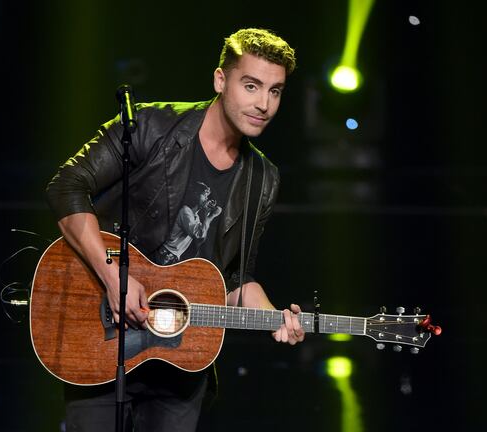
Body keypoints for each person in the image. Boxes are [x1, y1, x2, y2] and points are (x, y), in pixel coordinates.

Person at [46, 27, 305, 432]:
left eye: (275, 91)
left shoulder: (263, 179)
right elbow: (66, 186)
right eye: (251, 86)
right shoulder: (151, 125)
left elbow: (235, 279)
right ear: (221, 79)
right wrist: (113, 274)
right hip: (101, 332)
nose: (263, 104)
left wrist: (274, 317)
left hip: (181, 360)